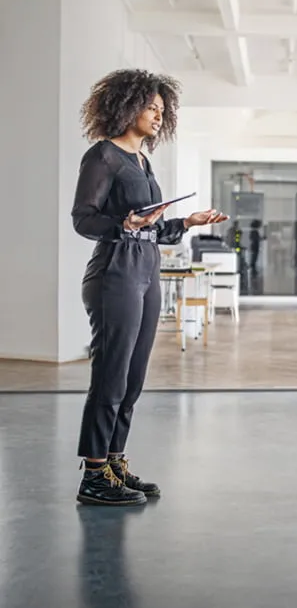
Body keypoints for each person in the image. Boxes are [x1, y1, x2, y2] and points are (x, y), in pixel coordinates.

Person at [72, 69, 228, 507]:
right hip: (115, 273)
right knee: (111, 375)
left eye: (162, 109)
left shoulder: (142, 161)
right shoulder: (103, 156)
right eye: (150, 107)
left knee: (133, 377)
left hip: (145, 268)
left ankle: (114, 463)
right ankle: (94, 475)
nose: (158, 116)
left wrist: (186, 223)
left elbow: (150, 228)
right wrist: (123, 224)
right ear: (126, 107)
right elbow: (83, 219)